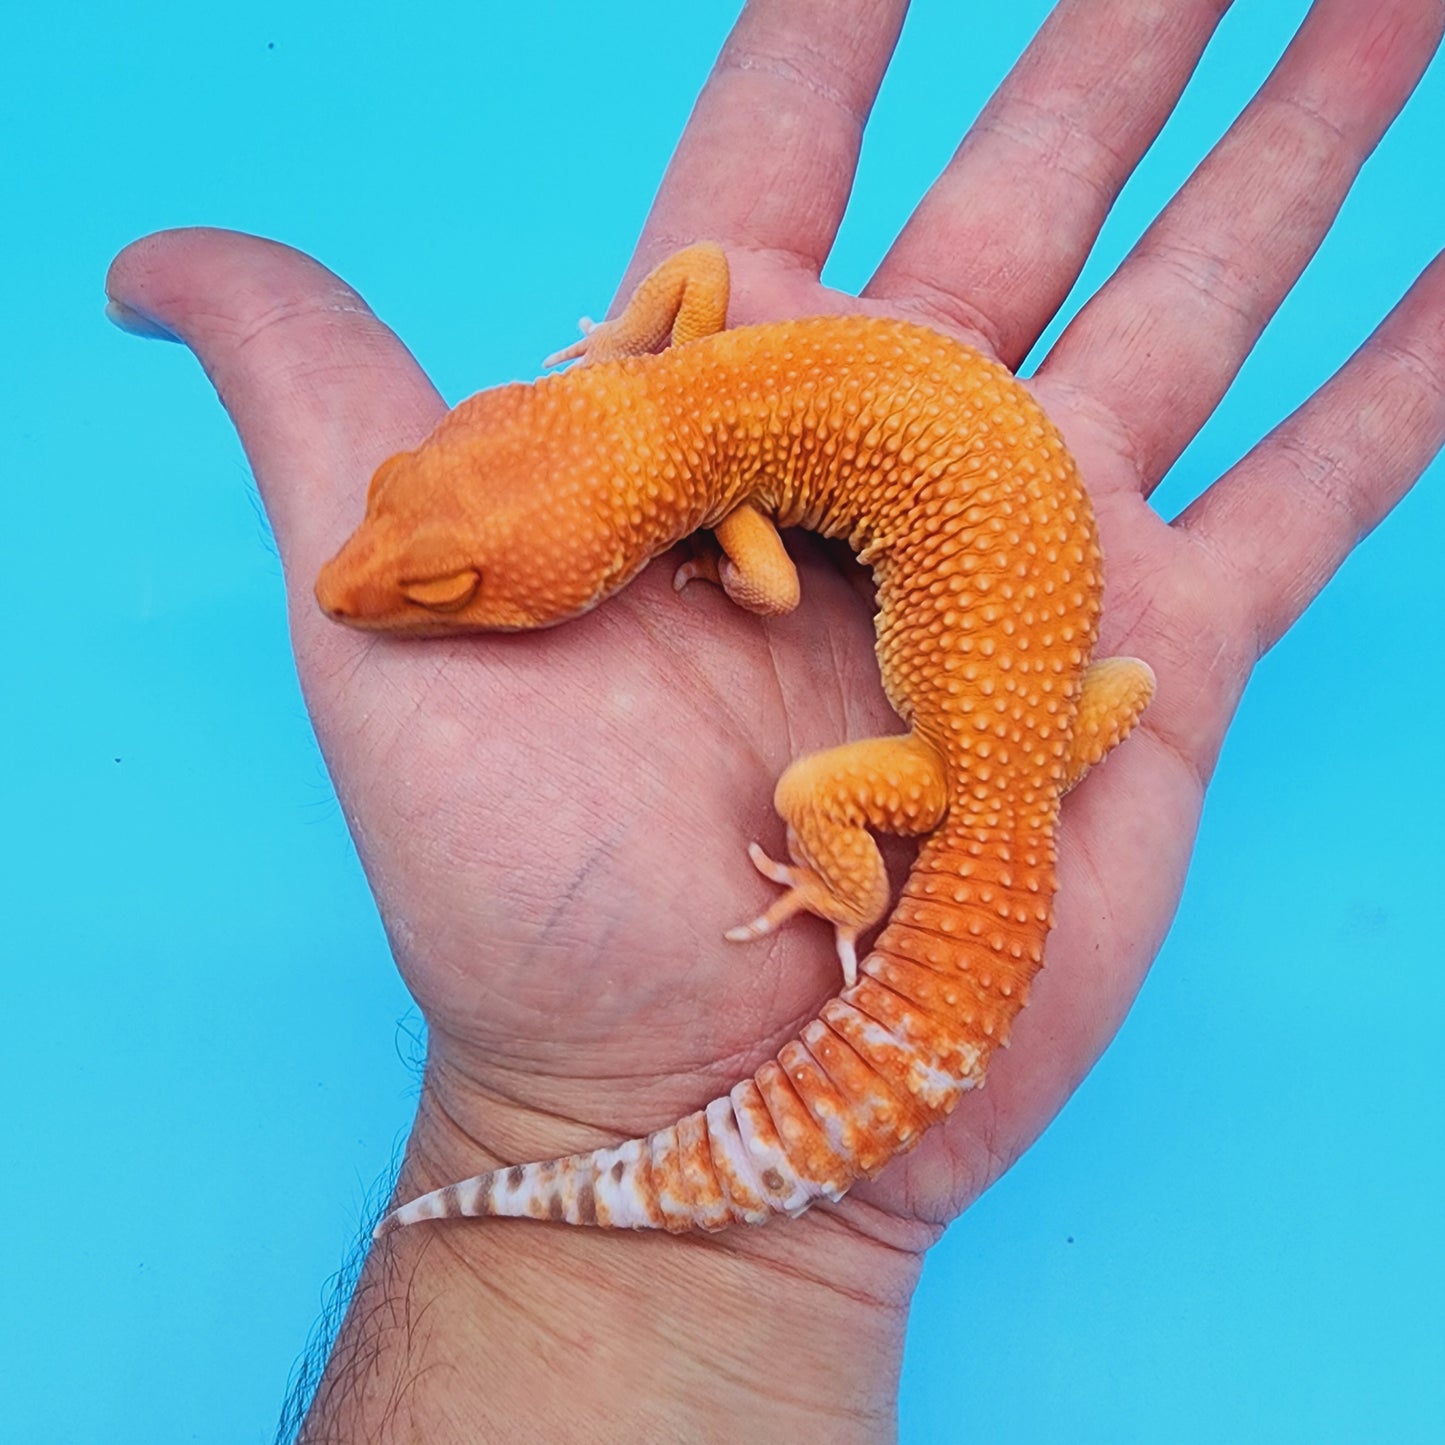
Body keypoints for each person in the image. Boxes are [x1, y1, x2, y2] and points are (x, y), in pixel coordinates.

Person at [105, 0, 1444, 1437]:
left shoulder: (699, 443)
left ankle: (834, 877)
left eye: (451, 588)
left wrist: (834, 863)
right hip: (1052, 719)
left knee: (823, 795)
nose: (369, 590)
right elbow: (703, 350)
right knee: (1099, 700)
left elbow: (742, 537)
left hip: (949, 771)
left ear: (618, 545)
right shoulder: (696, 382)